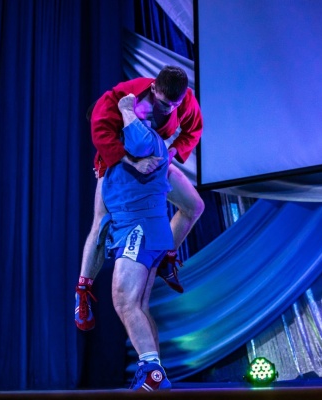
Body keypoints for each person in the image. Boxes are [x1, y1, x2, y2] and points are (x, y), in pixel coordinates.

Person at [75, 66, 204, 331]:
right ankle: (83, 292)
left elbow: (193, 129)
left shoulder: (185, 99)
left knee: (194, 206)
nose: (170, 110)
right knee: (101, 223)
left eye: (175, 105)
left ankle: (166, 257)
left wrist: (170, 153)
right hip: (118, 164)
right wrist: (132, 162)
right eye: (165, 104)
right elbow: (100, 130)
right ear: (154, 88)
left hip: (153, 163)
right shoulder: (123, 97)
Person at [105, 93, 174, 391]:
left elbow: (140, 144)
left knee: (124, 300)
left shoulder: (140, 133)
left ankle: (152, 373)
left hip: (139, 227)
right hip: (143, 228)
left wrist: (125, 109)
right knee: (140, 306)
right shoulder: (125, 150)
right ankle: (154, 372)